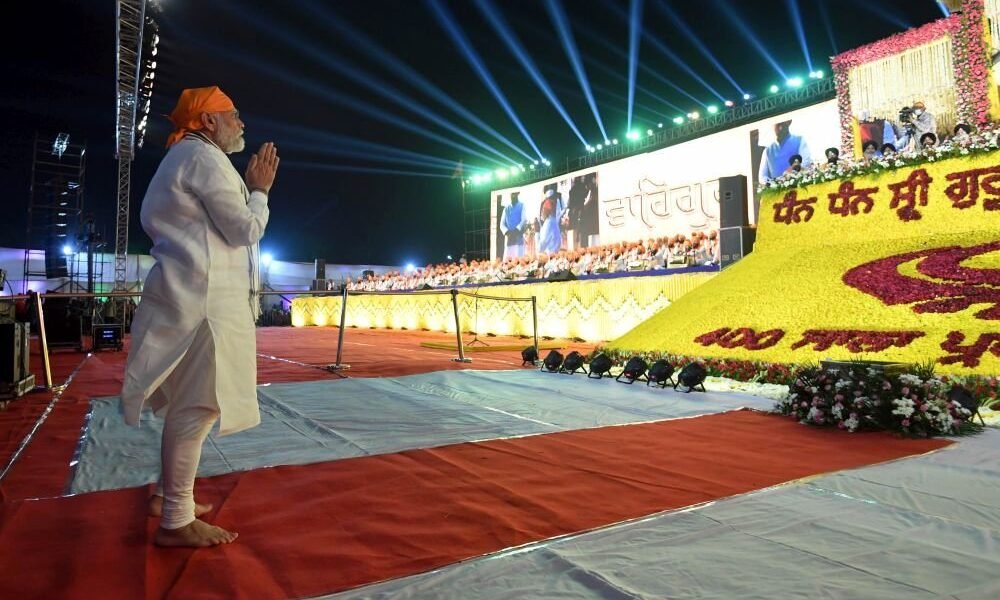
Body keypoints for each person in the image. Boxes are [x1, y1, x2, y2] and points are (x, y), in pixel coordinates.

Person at [121, 86, 279, 548]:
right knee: (198, 407)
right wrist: (259, 191)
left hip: (191, 295)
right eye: (233, 115)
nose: (241, 123)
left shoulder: (186, 157)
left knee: (189, 406)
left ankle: (168, 497)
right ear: (209, 122)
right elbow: (245, 229)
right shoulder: (204, 158)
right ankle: (175, 519)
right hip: (207, 304)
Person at [499, 192, 527, 259]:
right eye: (512, 194)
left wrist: (516, 230)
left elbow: (523, 220)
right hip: (509, 237)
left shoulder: (522, 205)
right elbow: (502, 224)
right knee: (508, 258)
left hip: (518, 235)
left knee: (519, 258)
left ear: (517, 194)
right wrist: (507, 232)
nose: (513, 196)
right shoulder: (506, 208)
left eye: (515, 194)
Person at [537, 188, 565, 255]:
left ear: (547, 211)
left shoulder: (548, 223)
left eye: (543, 210)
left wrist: (537, 233)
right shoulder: (553, 222)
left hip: (550, 256)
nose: (542, 213)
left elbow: (541, 247)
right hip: (554, 254)